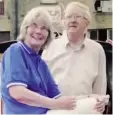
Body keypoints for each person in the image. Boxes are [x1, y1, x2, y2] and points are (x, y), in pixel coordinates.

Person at [1, 7, 76, 114]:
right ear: (25, 29)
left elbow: (59, 98)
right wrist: (55, 104)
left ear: (48, 35)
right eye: (34, 25)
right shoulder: (16, 51)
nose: (38, 31)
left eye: (44, 28)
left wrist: (91, 100)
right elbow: (18, 93)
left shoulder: (41, 63)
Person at [42, 2, 107, 113]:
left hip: (86, 107)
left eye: (77, 16)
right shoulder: (50, 47)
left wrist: (101, 101)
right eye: (69, 17)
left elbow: (100, 86)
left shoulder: (97, 49)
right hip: (57, 107)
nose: (73, 20)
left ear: (87, 23)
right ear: (63, 22)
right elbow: (41, 82)